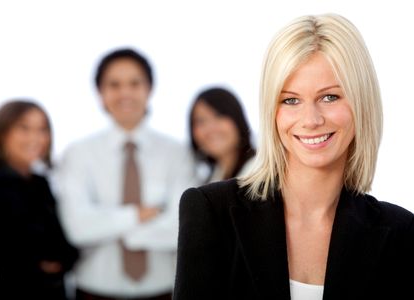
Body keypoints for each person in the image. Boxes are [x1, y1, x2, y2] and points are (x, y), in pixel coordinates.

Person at [174, 14, 414, 300]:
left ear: (361, 102)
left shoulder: (402, 232)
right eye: (290, 100)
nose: (311, 120)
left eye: (330, 97)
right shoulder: (212, 212)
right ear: (271, 111)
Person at [56, 48, 194, 300]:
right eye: (114, 85)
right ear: (101, 93)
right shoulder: (77, 154)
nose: (125, 93)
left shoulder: (177, 154)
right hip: (93, 292)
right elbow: (77, 228)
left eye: (134, 83)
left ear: (149, 89)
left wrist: (109, 225)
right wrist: (139, 215)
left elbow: (182, 228)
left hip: (165, 292)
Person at [0, 100, 79, 300]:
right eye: (24, 128)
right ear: (2, 133)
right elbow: (39, 254)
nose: (36, 138)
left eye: (42, 129)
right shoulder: (2, 186)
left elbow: (67, 251)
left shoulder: (39, 183)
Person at [189, 87, 255, 183]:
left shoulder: (259, 171)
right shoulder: (210, 179)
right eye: (201, 121)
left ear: (237, 118)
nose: (210, 128)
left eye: (218, 116)